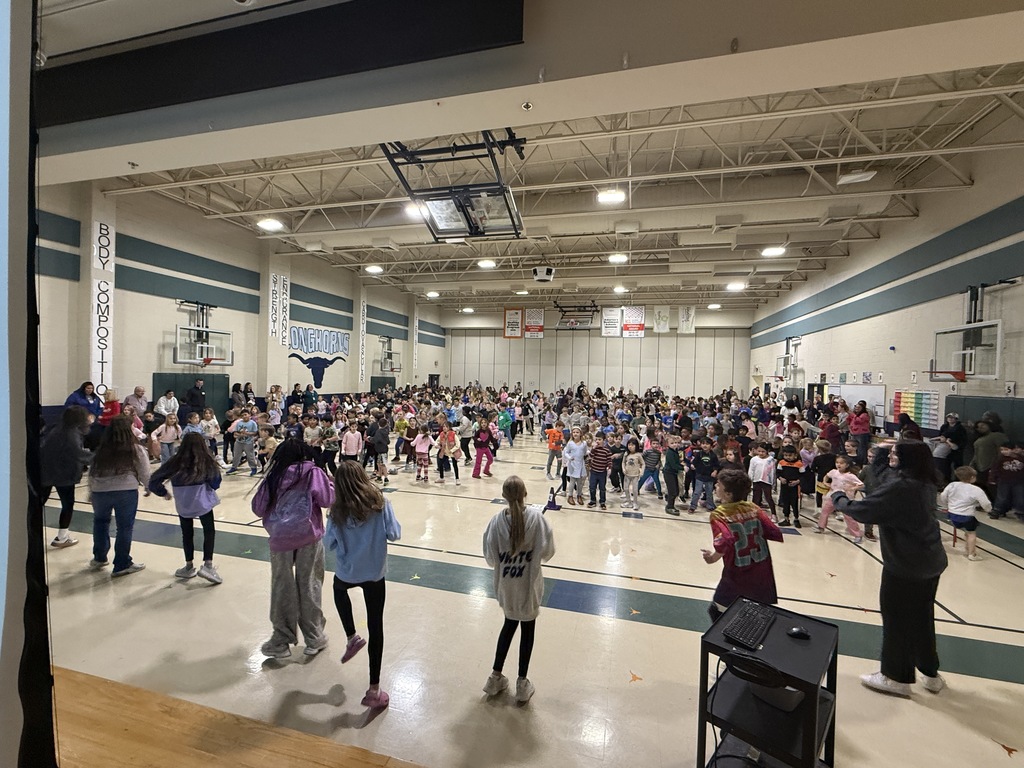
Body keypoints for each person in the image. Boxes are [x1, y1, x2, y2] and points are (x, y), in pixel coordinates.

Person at [832, 441, 948, 697]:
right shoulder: (924, 480)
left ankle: (895, 676)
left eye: (896, 452)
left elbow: (864, 510)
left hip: (906, 565)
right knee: (921, 618)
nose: (890, 455)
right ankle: (930, 673)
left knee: (896, 619)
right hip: (930, 560)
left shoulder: (901, 488)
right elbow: (886, 472)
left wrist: (838, 497)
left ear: (907, 459)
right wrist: (884, 451)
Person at [323, 461, 402, 710]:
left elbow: (329, 545)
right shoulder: (380, 504)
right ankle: (374, 688)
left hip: (349, 570)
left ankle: (351, 636)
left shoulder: (336, 511)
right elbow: (394, 533)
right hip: (375, 572)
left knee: (338, 589)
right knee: (376, 625)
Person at [251, 439, 335, 658]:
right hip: (308, 536)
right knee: (309, 584)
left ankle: (280, 639)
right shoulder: (313, 473)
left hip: (280, 538)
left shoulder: (274, 475)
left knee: (281, 586)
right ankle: (314, 637)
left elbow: (258, 508)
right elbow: (327, 500)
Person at [482, 476, 555, 704]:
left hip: (507, 587)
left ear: (503, 496)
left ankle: (495, 677)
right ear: (525, 494)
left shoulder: (495, 522)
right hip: (529, 587)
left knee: (508, 626)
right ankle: (522, 683)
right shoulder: (537, 518)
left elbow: (491, 558)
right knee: (528, 630)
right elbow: (548, 552)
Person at [701, 469, 783, 622]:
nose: (715, 486)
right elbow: (774, 531)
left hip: (737, 572)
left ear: (728, 494)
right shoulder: (754, 507)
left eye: (719, 485)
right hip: (761, 569)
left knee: (717, 611)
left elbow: (725, 541)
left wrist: (711, 558)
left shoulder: (720, 514)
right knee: (753, 613)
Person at [148, 433, 223, 584]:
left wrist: (163, 492)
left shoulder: (175, 461)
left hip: (183, 503)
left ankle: (188, 566)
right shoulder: (205, 461)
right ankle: (208, 565)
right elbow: (216, 482)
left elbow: (154, 481)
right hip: (202, 502)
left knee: (186, 533)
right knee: (209, 531)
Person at [88, 416, 151, 577]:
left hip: (99, 490)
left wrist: (91, 491)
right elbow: (144, 471)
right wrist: (149, 487)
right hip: (125, 490)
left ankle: (100, 557)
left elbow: (92, 470)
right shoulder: (135, 448)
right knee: (124, 527)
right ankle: (122, 563)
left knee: (100, 523)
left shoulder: (102, 448)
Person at [40, 405, 94, 548]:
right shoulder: (71, 434)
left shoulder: (56, 429)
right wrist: (99, 458)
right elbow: (78, 454)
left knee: (39, 503)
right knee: (67, 504)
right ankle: (62, 537)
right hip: (62, 474)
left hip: (46, 471)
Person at [940, 466, 991, 560]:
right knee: (971, 533)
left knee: (966, 532)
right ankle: (972, 554)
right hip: (966, 516)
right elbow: (986, 503)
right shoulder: (976, 490)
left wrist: (948, 505)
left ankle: (967, 548)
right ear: (972, 477)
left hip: (952, 514)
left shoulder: (952, 485)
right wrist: (988, 510)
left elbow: (943, 496)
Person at [818, 455, 865, 541]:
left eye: (841, 463)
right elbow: (827, 476)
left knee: (848, 516)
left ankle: (857, 534)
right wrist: (825, 482)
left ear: (847, 465)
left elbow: (861, 485)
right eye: (837, 462)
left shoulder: (850, 476)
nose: (838, 465)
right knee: (825, 511)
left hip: (845, 498)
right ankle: (821, 527)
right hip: (833, 495)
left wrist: (852, 488)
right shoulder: (834, 472)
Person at [988, 441, 1024, 520]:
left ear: (1013, 449)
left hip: (1019, 482)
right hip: (1004, 481)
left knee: (1019, 497)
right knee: (1002, 497)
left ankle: (1020, 512)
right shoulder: (1000, 458)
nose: (1003, 451)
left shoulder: (1021, 458)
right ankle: (997, 510)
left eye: (1006, 449)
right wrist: (992, 478)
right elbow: (994, 469)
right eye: (1002, 450)